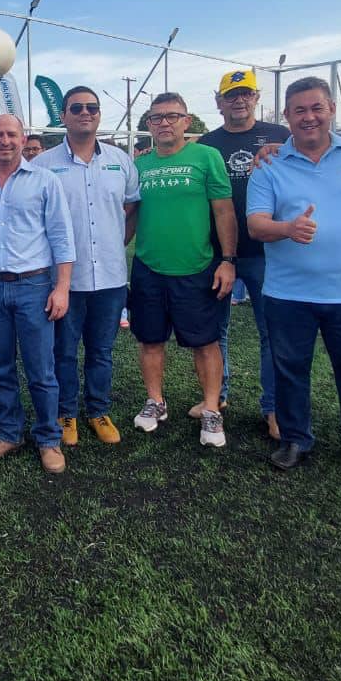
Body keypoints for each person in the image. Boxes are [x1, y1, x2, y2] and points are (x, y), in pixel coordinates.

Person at [246, 78, 341, 495]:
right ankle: (296, 440)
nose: (308, 116)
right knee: (291, 372)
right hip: (287, 293)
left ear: (331, 108)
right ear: (287, 116)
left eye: (316, 107)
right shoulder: (269, 164)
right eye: (299, 110)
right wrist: (288, 228)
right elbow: (256, 225)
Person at [0, 114, 75, 474]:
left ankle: (49, 439)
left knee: (41, 369)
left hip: (34, 286)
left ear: (23, 139)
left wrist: (62, 287)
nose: (4, 141)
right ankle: (8, 433)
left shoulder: (45, 181)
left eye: (11, 134)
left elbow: (61, 239)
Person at [128, 92, 236, 448]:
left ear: (187, 121)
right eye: (156, 118)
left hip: (197, 267)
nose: (164, 123)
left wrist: (228, 260)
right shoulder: (139, 166)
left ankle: (210, 409)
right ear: (148, 125)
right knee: (150, 340)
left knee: (205, 343)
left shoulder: (206, 157)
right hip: (149, 267)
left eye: (172, 116)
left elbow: (223, 211)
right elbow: (132, 216)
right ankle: (156, 402)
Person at [34, 87, 138, 447]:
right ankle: (66, 413)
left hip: (110, 276)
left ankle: (98, 410)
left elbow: (132, 206)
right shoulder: (44, 165)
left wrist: (114, 243)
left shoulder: (120, 160)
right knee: (63, 350)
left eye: (92, 107)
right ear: (63, 116)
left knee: (101, 350)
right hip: (65, 280)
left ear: (99, 114)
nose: (85, 112)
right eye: (76, 108)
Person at [197, 69, 289, 440]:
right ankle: (216, 397)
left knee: (273, 332)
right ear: (218, 102)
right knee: (213, 331)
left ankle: (273, 409)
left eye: (246, 93)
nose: (239, 100)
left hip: (269, 253)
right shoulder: (206, 143)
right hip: (217, 254)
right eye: (231, 95)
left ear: (256, 97)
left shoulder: (283, 137)